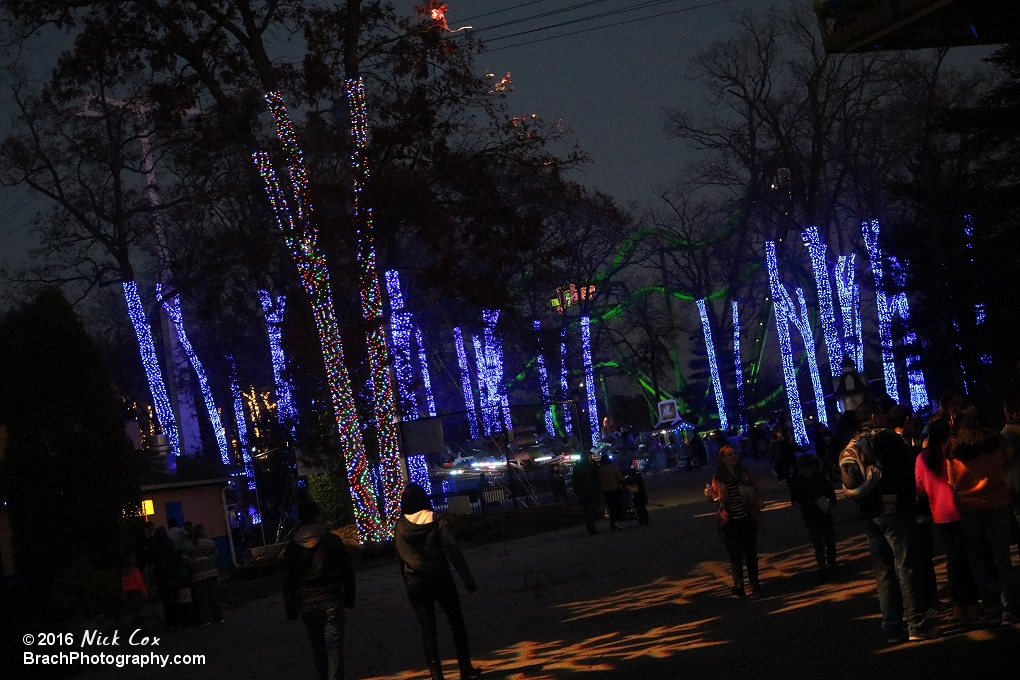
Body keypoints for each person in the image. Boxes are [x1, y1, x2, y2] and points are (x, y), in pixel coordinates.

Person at [849, 402, 939, 642]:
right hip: (895, 510)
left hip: (869, 513)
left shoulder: (854, 441)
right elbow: (904, 474)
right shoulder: (888, 439)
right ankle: (917, 624)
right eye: (880, 413)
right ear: (873, 416)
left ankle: (891, 627)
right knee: (907, 566)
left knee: (883, 571)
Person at [395, 483, 482, 680]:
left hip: (415, 583)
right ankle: (465, 667)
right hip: (440, 577)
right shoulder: (435, 520)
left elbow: (400, 557)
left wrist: (407, 582)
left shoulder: (400, 526)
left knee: (428, 630)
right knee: (456, 622)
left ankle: (437, 676)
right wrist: (468, 580)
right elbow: (453, 551)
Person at [946, 406, 1017, 625]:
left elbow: (952, 480)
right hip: (998, 502)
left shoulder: (955, 447)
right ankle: (1009, 607)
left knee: (977, 559)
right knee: (1002, 557)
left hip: (969, 506)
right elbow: (1004, 465)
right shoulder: (996, 441)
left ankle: (989, 606)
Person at [282, 501, 356, 680]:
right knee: (334, 648)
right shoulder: (331, 541)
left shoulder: (292, 548)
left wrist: (291, 609)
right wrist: (349, 598)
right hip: (331, 598)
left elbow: (288, 580)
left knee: (318, 648)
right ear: (317, 515)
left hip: (307, 603)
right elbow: (346, 571)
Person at [916, 419, 980, 621]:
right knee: (969, 555)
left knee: (952, 559)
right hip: (962, 508)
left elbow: (919, 488)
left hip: (940, 512)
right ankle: (972, 602)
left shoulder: (922, 458)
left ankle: (958, 604)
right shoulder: (955, 453)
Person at [704, 445, 762, 597]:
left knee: (750, 552)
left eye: (734, 453)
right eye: (729, 455)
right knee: (735, 554)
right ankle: (739, 586)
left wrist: (758, 501)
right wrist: (710, 494)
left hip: (747, 517)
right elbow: (716, 498)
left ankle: (754, 582)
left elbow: (756, 488)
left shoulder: (745, 473)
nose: (734, 456)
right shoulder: (719, 477)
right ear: (723, 459)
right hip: (730, 521)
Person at [789, 454, 838, 576]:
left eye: (806, 468)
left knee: (829, 539)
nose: (804, 471)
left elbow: (830, 492)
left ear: (812, 467)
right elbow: (795, 496)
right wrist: (795, 502)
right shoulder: (799, 482)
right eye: (802, 469)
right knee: (818, 543)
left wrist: (831, 503)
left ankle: (831, 561)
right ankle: (822, 565)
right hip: (810, 514)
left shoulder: (820, 479)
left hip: (822, 510)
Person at [183, 524, 223, 626]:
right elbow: (216, 553)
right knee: (214, 595)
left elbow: (184, 558)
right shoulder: (210, 542)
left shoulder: (191, 545)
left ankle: (205, 620)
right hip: (212, 572)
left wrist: (193, 561)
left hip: (198, 574)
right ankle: (218, 617)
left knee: (202, 598)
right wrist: (208, 559)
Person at [150, 526, 181, 628]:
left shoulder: (154, 546)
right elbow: (174, 557)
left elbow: (153, 562)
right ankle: (176, 622)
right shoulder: (169, 543)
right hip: (171, 575)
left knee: (166, 602)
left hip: (161, 577)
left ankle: (170, 623)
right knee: (174, 600)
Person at [571, 451, 602, 534]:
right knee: (591, 509)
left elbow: (574, 480)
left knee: (585, 510)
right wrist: (597, 489)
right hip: (591, 491)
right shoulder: (591, 467)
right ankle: (591, 526)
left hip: (582, 491)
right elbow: (597, 479)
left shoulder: (577, 467)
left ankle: (589, 525)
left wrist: (576, 490)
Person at [598, 453, 626, 531]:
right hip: (615, 489)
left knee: (611, 507)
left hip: (606, 490)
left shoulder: (600, 470)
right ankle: (619, 518)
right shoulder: (612, 468)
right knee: (618, 504)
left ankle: (612, 522)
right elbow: (619, 477)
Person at [122, 555, 147, 624]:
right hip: (136, 592)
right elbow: (140, 582)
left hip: (129, 593)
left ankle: (135, 626)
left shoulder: (124, 573)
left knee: (133, 611)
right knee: (139, 610)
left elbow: (123, 584)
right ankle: (140, 626)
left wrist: (124, 594)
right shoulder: (135, 571)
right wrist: (144, 592)